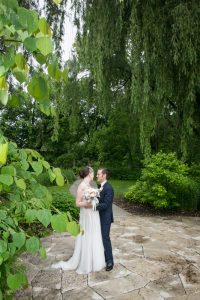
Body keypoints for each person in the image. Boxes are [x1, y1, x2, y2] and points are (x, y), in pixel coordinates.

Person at [52, 166, 105, 274]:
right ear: (89, 173)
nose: (94, 175)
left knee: (94, 234)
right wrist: (86, 203)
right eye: (93, 173)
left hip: (93, 213)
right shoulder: (81, 186)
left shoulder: (89, 185)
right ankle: (86, 262)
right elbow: (77, 203)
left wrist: (94, 201)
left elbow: (93, 199)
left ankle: (95, 261)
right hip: (86, 214)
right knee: (87, 235)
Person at [96, 168, 114, 271]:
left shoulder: (108, 188)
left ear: (104, 175)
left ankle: (110, 261)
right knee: (99, 238)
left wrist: (93, 205)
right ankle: (102, 257)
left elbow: (106, 205)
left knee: (105, 238)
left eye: (98, 174)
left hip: (105, 218)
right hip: (98, 217)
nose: (97, 176)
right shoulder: (100, 187)